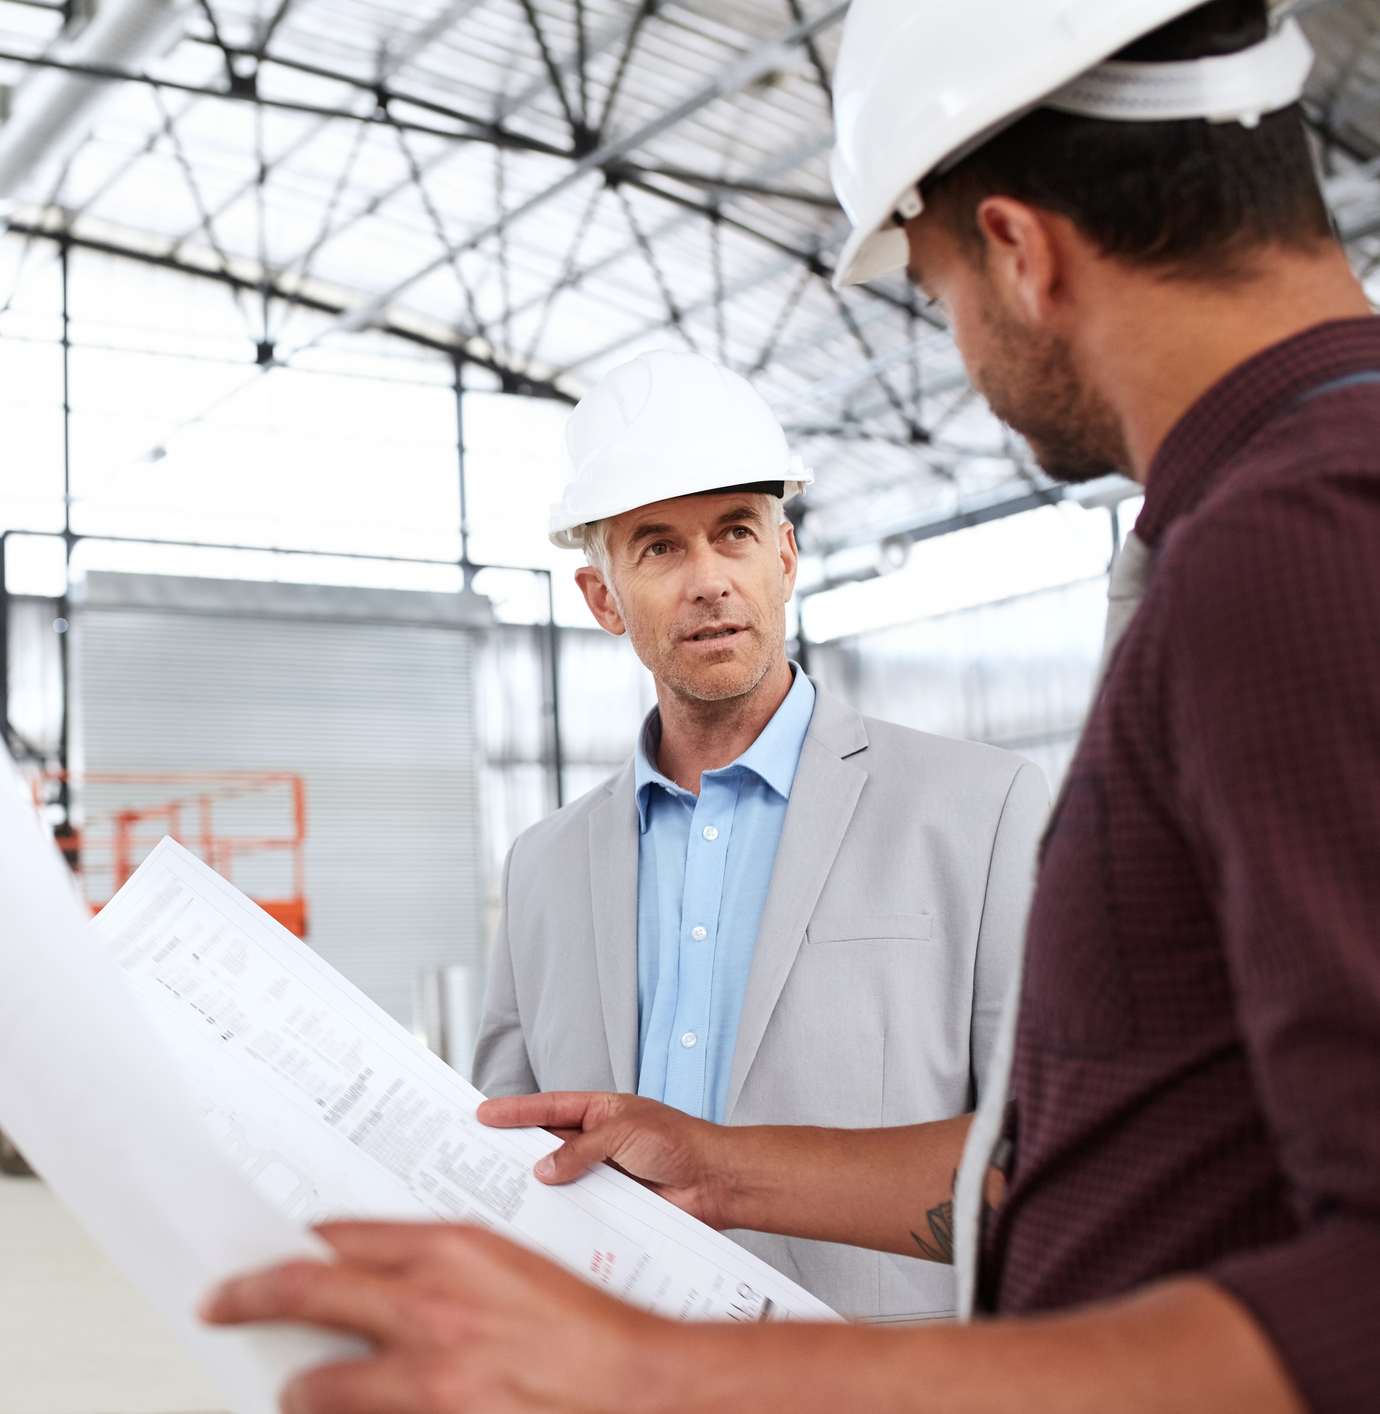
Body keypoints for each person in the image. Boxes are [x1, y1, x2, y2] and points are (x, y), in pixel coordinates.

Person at [203, 1, 1378, 1410]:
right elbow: (1107, 1164)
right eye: (654, 546)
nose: (954, 341)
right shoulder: (1255, 523)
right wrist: (713, 1161)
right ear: (602, 590)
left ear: (1016, 250)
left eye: (934, 288)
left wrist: (660, 1371)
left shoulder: (1300, 539)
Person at [474, 349, 1046, 1320]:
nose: (708, 581)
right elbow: (504, 1153)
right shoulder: (543, 868)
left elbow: (1041, 1158)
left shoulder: (979, 811)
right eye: (657, 547)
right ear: (602, 599)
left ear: (783, 560)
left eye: (734, 534)